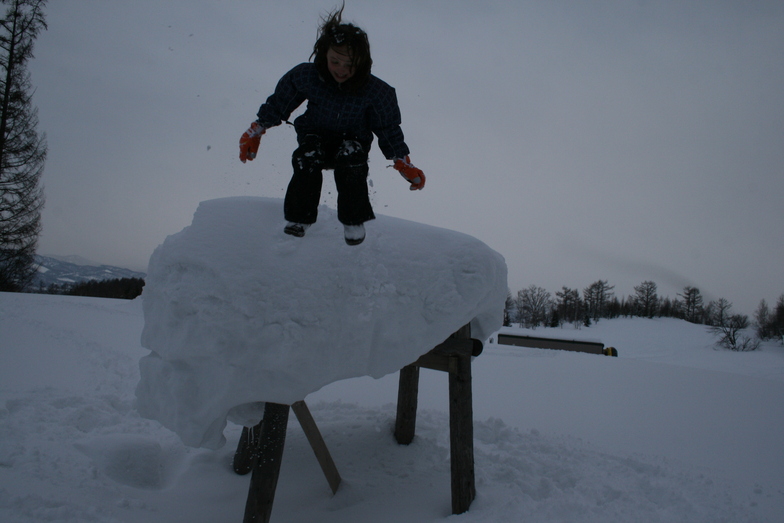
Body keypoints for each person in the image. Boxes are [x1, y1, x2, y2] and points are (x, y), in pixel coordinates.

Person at [239, 6, 425, 246]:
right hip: (315, 134)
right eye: (335, 61)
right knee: (306, 157)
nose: (341, 69)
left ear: (362, 63)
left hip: (353, 138)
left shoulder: (376, 92)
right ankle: (299, 218)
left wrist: (402, 162)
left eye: (349, 65)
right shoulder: (307, 76)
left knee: (351, 160)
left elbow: (388, 128)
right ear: (323, 55)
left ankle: (353, 219)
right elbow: (280, 103)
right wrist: (257, 129)